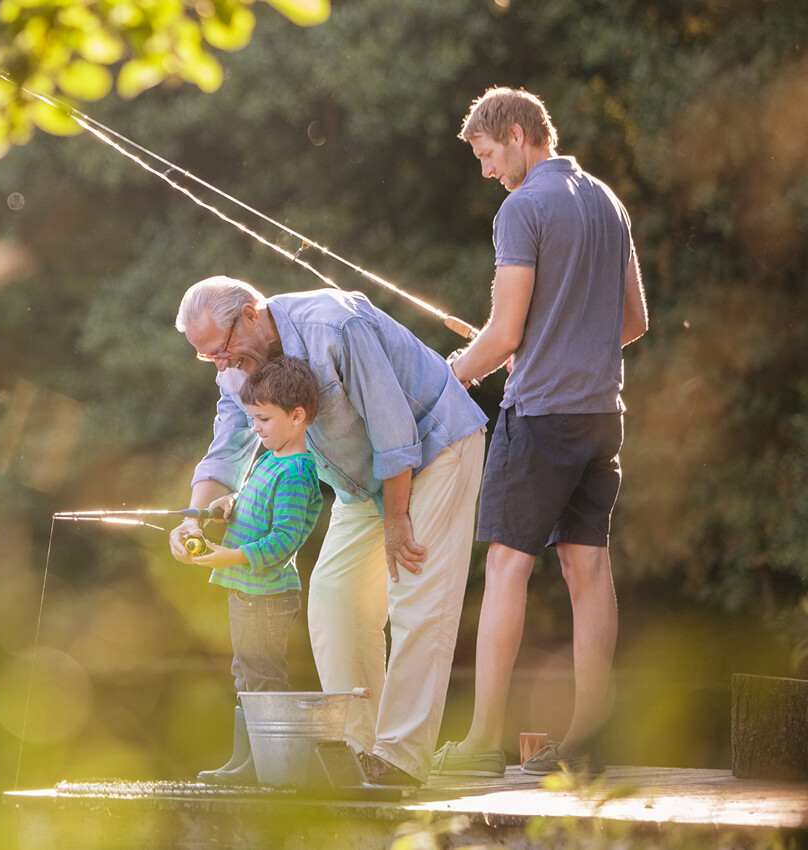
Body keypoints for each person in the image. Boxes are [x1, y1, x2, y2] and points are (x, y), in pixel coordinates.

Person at [170, 275, 488, 787]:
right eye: (208, 358)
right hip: (359, 479)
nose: (221, 364)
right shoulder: (235, 367)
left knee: (415, 592)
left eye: (222, 350)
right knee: (334, 595)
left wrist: (397, 518)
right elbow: (229, 438)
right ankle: (359, 748)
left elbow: (393, 428)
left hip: (434, 445)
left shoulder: (335, 325)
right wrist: (193, 518)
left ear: (251, 314)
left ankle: (401, 756)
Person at [433, 87, 649, 779]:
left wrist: (452, 375)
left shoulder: (523, 208)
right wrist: (557, 341)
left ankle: (481, 742)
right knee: (588, 568)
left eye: (490, 155)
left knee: (506, 566)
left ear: (522, 134)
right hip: (602, 415)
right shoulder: (608, 202)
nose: (488, 171)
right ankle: (588, 741)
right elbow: (634, 322)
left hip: (541, 418)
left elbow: (500, 336)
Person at [190, 357, 322, 785]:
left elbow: (284, 540)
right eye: (253, 418)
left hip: (267, 597)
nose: (258, 428)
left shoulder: (298, 472)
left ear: (297, 416)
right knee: (246, 674)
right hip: (246, 593)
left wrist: (231, 556)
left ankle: (272, 767)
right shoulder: (269, 459)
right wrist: (228, 505)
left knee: (264, 677)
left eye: (264, 419)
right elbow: (252, 505)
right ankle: (245, 763)